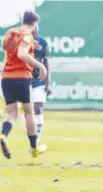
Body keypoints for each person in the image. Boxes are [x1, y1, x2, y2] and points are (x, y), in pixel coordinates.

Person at [0, 11, 47, 159]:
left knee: (12, 113)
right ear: (34, 24)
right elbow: (21, 54)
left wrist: (30, 44)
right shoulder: (27, 36)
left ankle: (3, 135)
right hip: (21, 78)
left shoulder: (10, 33)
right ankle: (34, 149)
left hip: (6, 77)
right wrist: (40, 65)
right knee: (29, 112)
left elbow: (10, 50)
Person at [31, 26, 50, 150]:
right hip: (23, 79)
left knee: (38, 107)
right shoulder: (21, 41)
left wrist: (48, 82)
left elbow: (46, 62)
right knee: (21, 111)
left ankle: (35, 143)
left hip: (39, 80)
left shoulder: (43, 42)